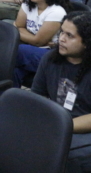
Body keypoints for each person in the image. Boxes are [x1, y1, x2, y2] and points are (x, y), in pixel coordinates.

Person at [32, 11, 91, 173]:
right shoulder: (50, 59)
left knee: (66, 154)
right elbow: (37, 95)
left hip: (82, 128)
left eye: (70, 36)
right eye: (62, 32)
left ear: (86, 43)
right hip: (58, 120)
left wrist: (60, 125)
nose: (61, 39)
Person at [13, 0, 71, 88]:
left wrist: (20, 32)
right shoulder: (27, 4)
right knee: (13, 71)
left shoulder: (56, 11)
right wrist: (31, 37)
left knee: (16, 51)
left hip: (51, 53)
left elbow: (38, 41)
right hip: (32, 48)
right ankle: (5, 98)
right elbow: (18, 27)